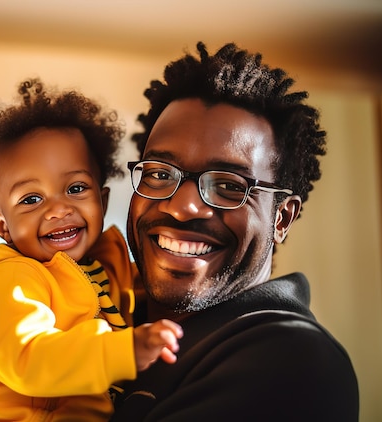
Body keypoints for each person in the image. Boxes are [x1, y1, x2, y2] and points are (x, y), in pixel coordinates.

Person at [110, 42, 359, 421]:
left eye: (228, 185)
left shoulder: (291, 359)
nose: (182, 207)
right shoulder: (98, 316)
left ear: (282, 218)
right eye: (160, 174)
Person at [0, 78, 183, 421]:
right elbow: (28, 358)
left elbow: (154, 301)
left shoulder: (109, 261)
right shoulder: (12, 281)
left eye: (76, 188)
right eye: (31, 199)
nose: (58, 210)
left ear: (102, 202)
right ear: (3, 227)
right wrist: (123, 350)